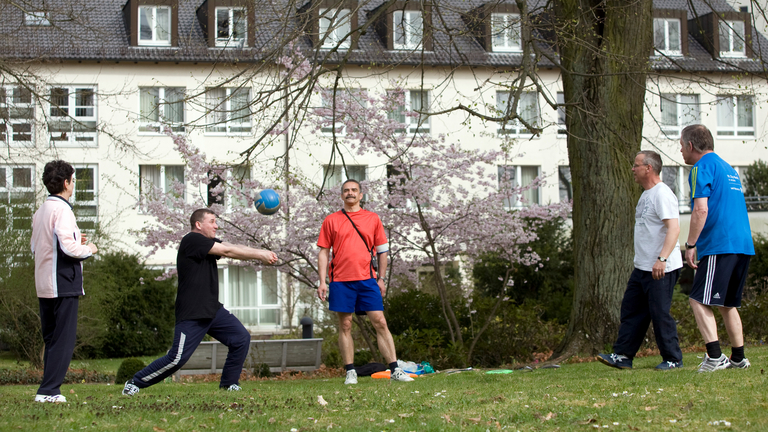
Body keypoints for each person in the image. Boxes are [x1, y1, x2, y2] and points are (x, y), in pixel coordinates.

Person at [123, 209, 278, 395]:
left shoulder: (206, 244)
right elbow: (227, 251)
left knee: (240, 338)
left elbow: (229, 245)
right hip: (193, 313)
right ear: (198, 224)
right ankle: (135, 382)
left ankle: (229, 384)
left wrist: (260, 251)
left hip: (212, 310)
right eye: (212, 221)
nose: (216, 225)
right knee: (176, 359)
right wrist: (260, 254)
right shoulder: (191, 240)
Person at [317, 179, 413, 384]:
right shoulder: (331, 220)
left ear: (361, 195)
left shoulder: (373, 219)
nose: (350, 193)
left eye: (354, 190)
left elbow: (382, 252)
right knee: (345, 324)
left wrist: (381, 278)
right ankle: (350, 371)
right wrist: (322, 281)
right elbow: (324, 252)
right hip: (340, 281)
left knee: (380, 321)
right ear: (342, 195)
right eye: (346, 191)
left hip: (368, 279)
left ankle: (394, 369)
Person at [597, 151, 684, 370]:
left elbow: (673, 229)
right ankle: (623, 356)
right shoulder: (646, 194)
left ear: (649, 168)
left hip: (660, 267)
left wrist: (661, 259)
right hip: (643, 267)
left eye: (636, 165)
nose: (632, 169)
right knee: (632, 310)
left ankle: (673, 359)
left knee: (660, 313)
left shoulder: (662, 194)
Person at [680, 124, 754, 373]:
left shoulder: (701, 167)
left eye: (681, 146)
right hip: (742, 244)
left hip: (719, 244)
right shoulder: (728, 168)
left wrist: (690, 245)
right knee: (727, 304)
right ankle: (738, 359)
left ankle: (714, 357)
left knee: (698, 299)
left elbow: (701, 209)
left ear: (690, 145)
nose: (681, 151)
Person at [31, 160, 98, 403]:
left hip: (43, 283)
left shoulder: (41, 211)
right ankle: (49, 391)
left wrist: (74, 242)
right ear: (66, 182)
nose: (74, 185)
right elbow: (69, 249)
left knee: (51, 339)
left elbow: (37, 246)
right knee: (63, 339)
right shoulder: (63, 210)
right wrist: (89, 248)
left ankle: (46, 390)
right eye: (73, 180)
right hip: (63, 282)